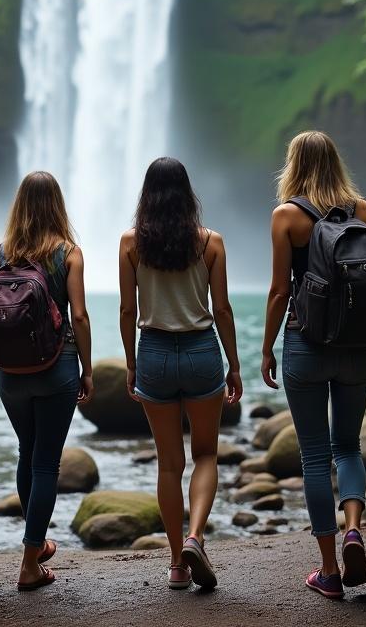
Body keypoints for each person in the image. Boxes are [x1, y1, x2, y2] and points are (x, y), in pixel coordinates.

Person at [260, 130, 366, 601]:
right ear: (336, 162)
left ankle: (329, 570)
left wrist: (266, 347)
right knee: (348, 446)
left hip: (305, 344)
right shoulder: (363, 211)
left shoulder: (287, 216)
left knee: (313, 455)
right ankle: (353, 529)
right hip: (356, 348)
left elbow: (279, 292)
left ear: (293, 164)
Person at [118, 157, 242, 592]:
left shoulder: (131, 243)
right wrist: (234, 364)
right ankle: (196, 538)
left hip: (153, 351)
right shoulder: (210, 242)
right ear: (188, 194)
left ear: (146, 195)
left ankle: (176, 565)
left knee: (169, 464)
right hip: (201, 350)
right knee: (206, 454)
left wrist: (131, 364)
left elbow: (127, 309)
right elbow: (222, 309)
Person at [0, 171, 94, 592]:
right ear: (57, 205)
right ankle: (30, 562)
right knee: (47, 461)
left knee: (26, 451)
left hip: (10, 372)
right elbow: (80, 316)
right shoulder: (69, 253)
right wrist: (87, 367)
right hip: (57, 367)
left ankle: (35, 542)